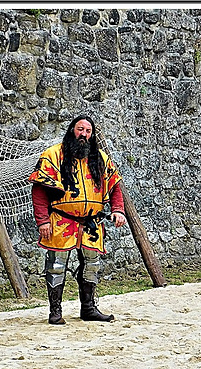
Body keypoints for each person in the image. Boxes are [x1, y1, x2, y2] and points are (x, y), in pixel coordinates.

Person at [28, 115, 127, 325]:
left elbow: (115, 185)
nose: (84, 134)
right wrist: (43, 221)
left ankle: (88, 308)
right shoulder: (53, 155)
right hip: (61, 221)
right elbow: (39, 190)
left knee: (92, 264)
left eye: (88, 131)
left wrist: (118, 209)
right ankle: (55, 312)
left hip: (92, 223)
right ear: (72, 130)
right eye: (80, 129)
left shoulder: (99, 157)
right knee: (56, 265)